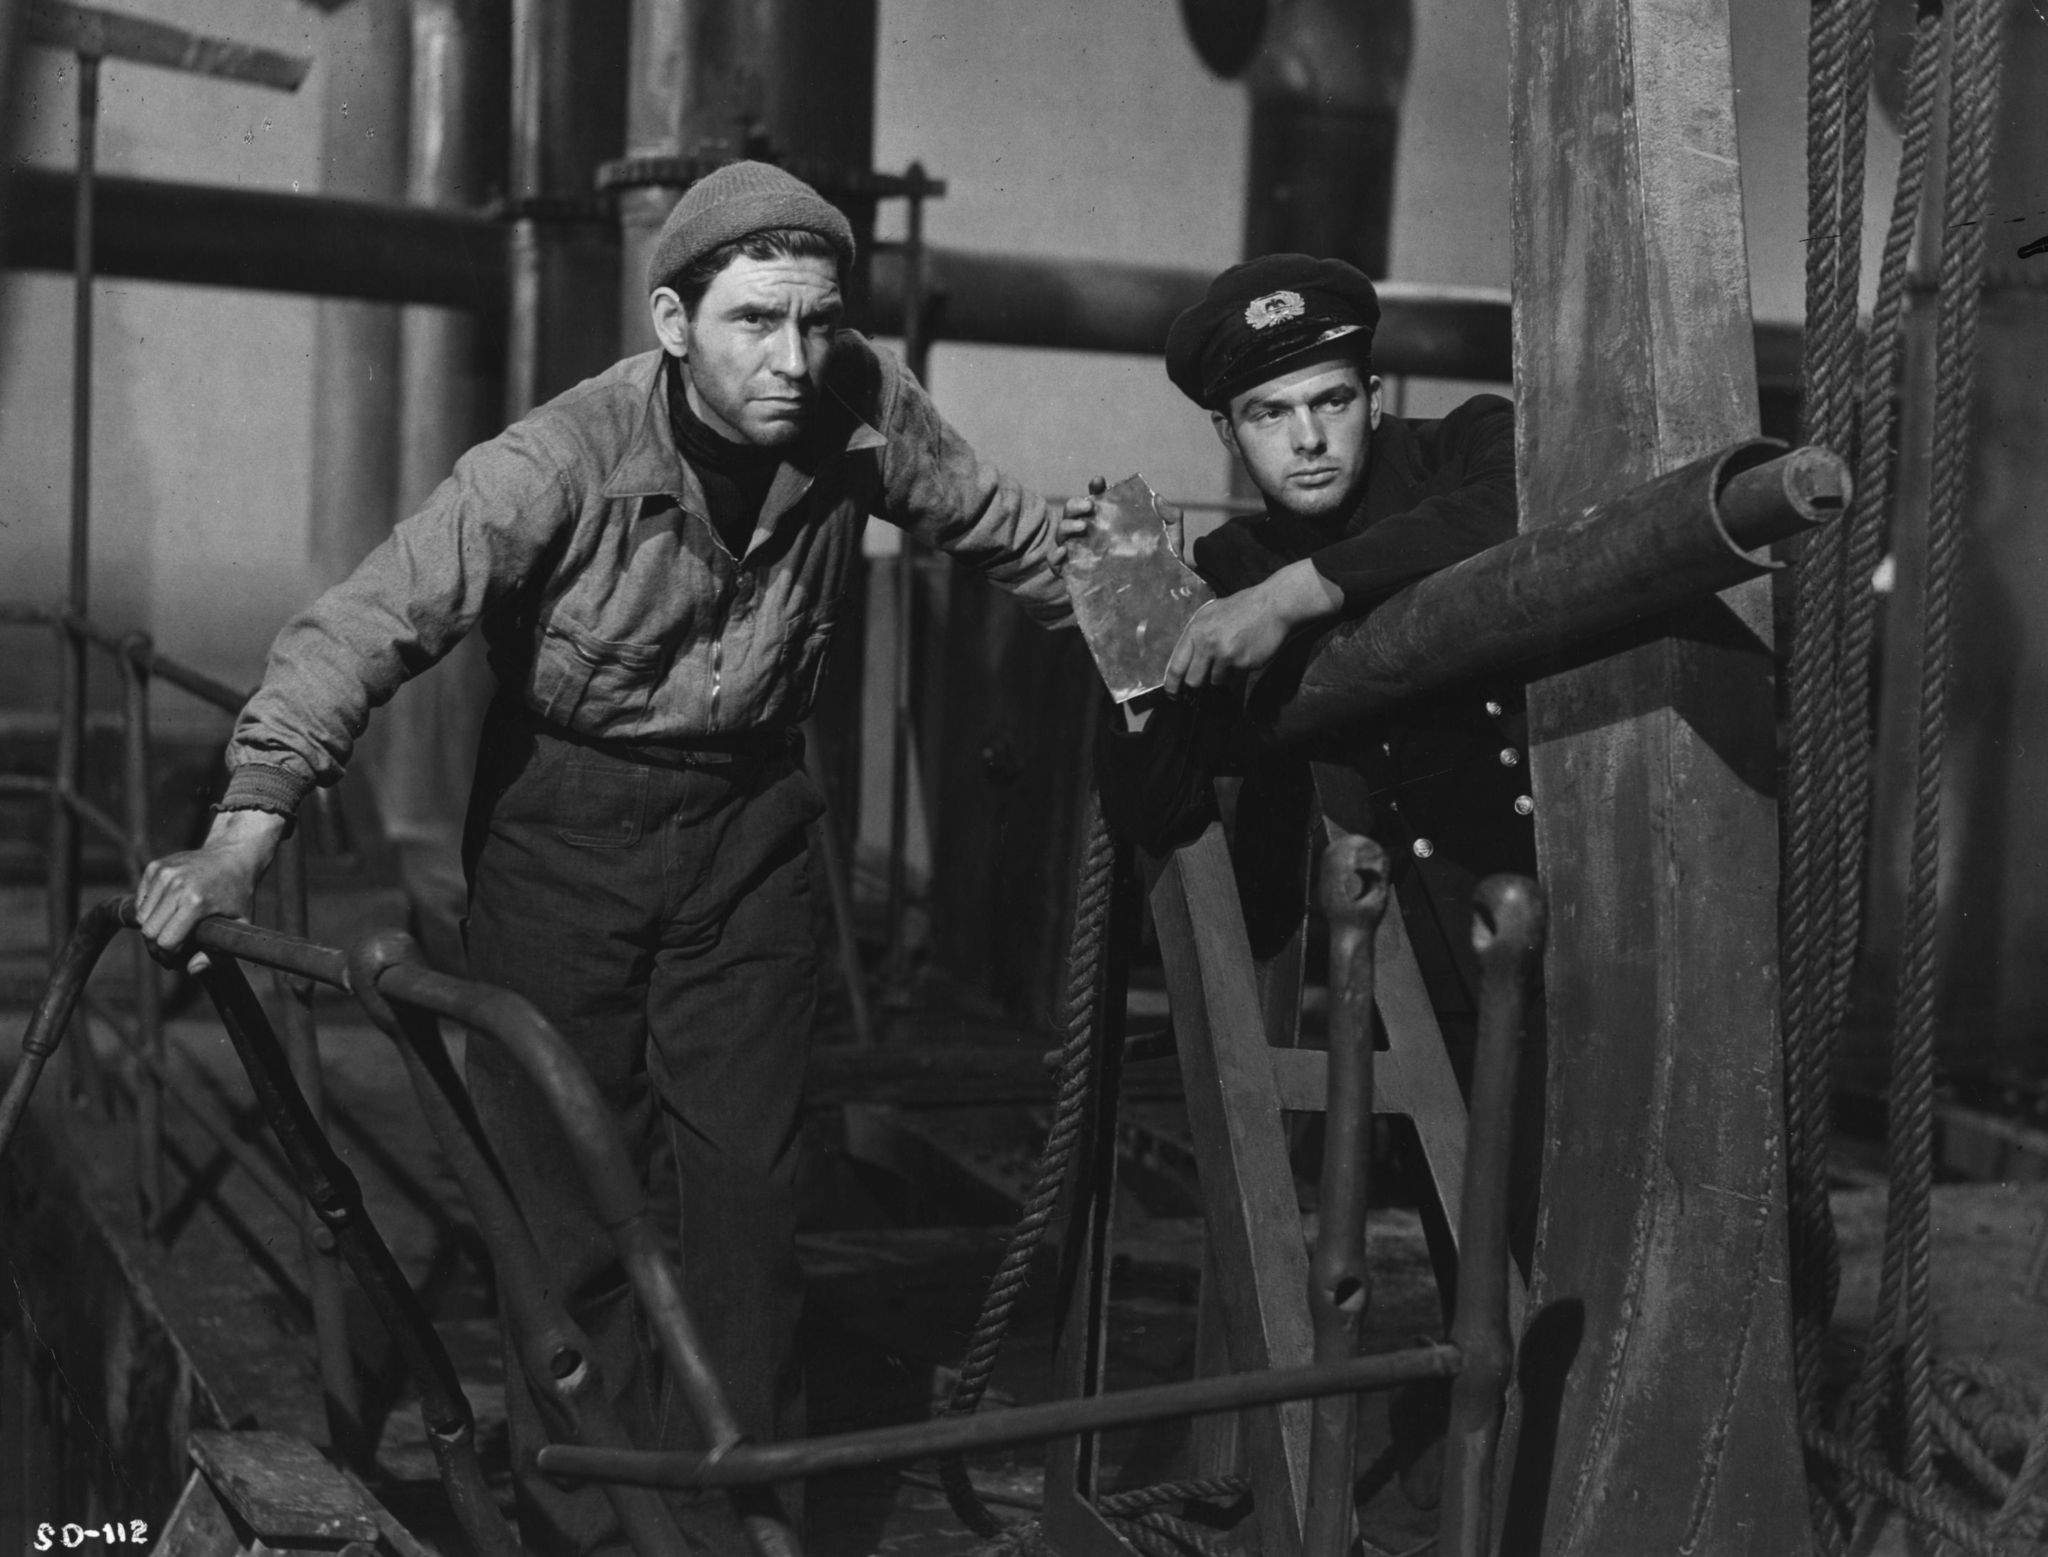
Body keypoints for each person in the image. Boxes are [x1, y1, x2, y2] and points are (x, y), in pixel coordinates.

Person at [135, 161, 1079, 1556]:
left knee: (753, 1199)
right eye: (757, 321)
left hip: (752, 830)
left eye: (817, 322)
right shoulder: (559, 457)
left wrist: (1207, 631)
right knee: (566, 1209)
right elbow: (364, 624)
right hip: (562, 829)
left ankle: (743, 1517)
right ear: (675, 321)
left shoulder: (857, 405)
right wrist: (238, 841)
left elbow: (1015, 527)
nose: (796, 358)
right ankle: (582, 1525)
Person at [1067, 251, 1535, 1029]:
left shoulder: (1466, 450)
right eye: (1269, 413)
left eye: (1332, 401)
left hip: (1542, 920)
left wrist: (1296, 593)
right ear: (1227, 432)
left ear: (1375, 399)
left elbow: (1526, 502)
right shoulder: (1228, 569)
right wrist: (1130, 613)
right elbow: (1157, 810)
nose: (1309, 438)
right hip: (1384, 985)